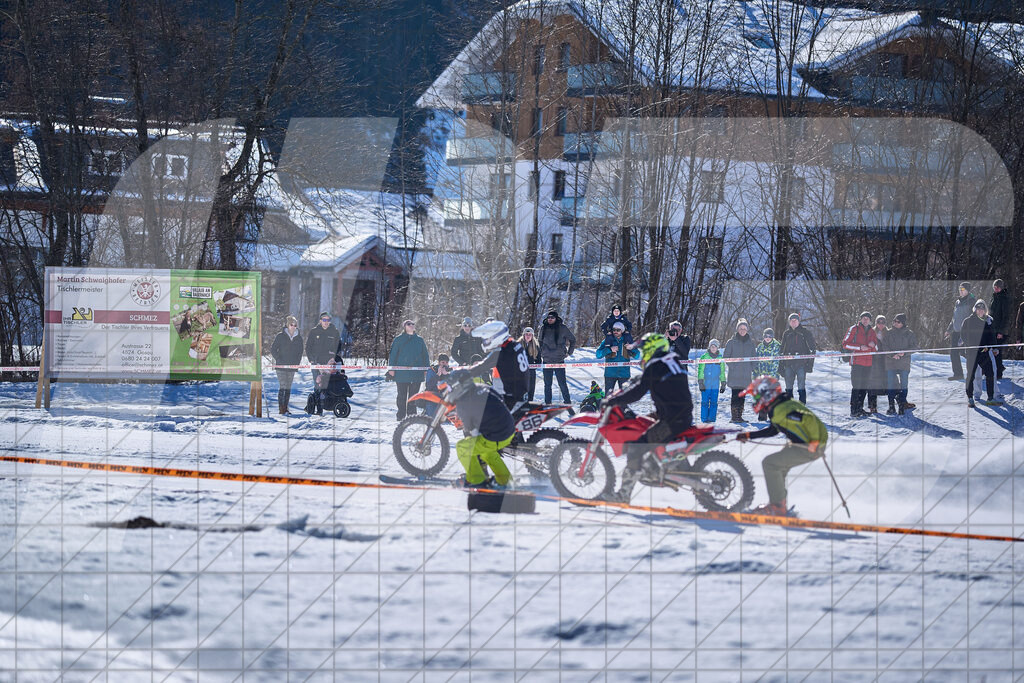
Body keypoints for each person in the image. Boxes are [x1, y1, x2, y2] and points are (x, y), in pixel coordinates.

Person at [599, 333, 694, 502]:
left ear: (651, 348)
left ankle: (623, 495)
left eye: (644, 350)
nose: (643, 354)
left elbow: (638, 392)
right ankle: (660, 466)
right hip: (680, 413)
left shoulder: (655, 364)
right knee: (644, 424)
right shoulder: (672, 360)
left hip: (672, 419)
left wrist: (613, 401)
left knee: (637, 446)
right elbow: (647, 380)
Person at [736, 376, 828, 517]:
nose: (755, 402)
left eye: (756, 397)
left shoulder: (782, 410)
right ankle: (779, 504)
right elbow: (773, 430)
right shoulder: (779, 406)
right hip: (801, 444)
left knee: (770, 463)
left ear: (766, 394)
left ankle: (778, 507)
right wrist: (749, 436)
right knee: (778, 468)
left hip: (809, 446)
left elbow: (808, 419)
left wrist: (815, 443)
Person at [445, 372, 516, 488]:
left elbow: (470, 429)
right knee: (486, 452)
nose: (449, 390)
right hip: (510, 430)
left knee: (462, 447)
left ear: (458, 386)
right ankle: (506, 481)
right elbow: (500, 399)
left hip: (495, 437)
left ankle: (476, 480)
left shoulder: (463, 402)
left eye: (450, 387)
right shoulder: (483, 387)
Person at [457, 320, 530, 410]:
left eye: (488, 337)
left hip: (511, 398)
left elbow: (482, 366)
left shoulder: (503, 351)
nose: (486, 340)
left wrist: (462, 375)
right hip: (519, 393)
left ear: (497, 336)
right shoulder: (514, 345)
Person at [961, 299, 1001, 407]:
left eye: (982, 310)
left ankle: (990, 397)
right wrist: (972, 345)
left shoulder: (987, 321)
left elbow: (991, 337)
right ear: (975, 310)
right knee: (971, 375)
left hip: (984, 353)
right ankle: (970, 398)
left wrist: (990, 347)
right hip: (972, 353)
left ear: (985, 311)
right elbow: (964, 336)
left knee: (990, 373)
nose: (980, 311)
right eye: (978, 309)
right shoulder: (968, 321)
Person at [387, 319, 429, 420]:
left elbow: (425, 355)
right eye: (408, 324)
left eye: (412, 324)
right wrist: (391, 368)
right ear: (404, 327)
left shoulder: (419, 340)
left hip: (416, 374)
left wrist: (426, 368)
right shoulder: (398, 340)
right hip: (401, 374)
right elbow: (393, 355)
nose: (411, 326)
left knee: (413, 396)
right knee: (401, 396)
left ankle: (412, 417)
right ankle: (400, 416)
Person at [842, 312, 878, 418]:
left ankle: (860, 409)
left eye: (867, 318)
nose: (865, 320)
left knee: (864, 387)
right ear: (861, 319)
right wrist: (859, 347)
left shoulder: (872, 331)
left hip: (868, 363)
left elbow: (876, 350)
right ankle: (854, 410)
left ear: (870, 320)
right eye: (864, 318)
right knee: (856, 387)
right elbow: (845, 343)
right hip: (857, 362)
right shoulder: (854, 329)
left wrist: (873, 345)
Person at [539, 310, 576, 404]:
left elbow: (573, 339)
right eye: (549, 317)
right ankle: (548, 403)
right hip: (546, 360)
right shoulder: (543, 328)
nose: (550, 319)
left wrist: (569, 352)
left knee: (562, 383)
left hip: (559, 360)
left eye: (552, 317)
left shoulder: (562, 328)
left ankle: (567, 402)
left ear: (556, 318)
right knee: (547, 384)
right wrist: (541, 353)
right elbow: (539, 342)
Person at [723, 318, 756, 423]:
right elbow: (726, 357)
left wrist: (751, 368)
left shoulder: (751, 343)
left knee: (742, 395)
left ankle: (739, 416)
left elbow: (754, 358)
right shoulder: (731, 342)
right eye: (741, 328)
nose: (742, 330)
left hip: (746, 374)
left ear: (747, 330)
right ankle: (734, 417)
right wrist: (733, 366)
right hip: (735, 374)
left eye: (744, 328)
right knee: (735, 395)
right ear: (737, 329)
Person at [884, 313, 917, 415]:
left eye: (898, 321)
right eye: (894, 321)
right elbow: (884, 347)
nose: (895, 323)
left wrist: (904, 353)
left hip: (904, 363)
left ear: (903, 323)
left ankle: (902, 405)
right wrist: (893, 354)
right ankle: (891, 406)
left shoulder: (909, 333)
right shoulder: (888, 333)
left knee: (904, 384)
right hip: (891, 362)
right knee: (890, 385)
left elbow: (915, 347)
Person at [779, 312, 815, 404]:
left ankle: (802, 406)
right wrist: (780, 366)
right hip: (788, 364)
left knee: (801, 386)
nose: (793, 322)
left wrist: (810, 364)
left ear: (799, 321)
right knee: (788, 387)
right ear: (789, 322)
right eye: (791, 321)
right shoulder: (786, 333)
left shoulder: (805, 332)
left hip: (801, 364)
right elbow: (782, 350)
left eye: (795, 320)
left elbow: (812, 349)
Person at [270, 315, 303, 415]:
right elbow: (273, 349)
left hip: (292, 366)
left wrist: (296, 363)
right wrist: (279, 359)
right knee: (283, 386)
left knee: (288, 387)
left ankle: (286, 408)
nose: (293, 326)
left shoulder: (298, 338)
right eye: (291, 324)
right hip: (281, 366)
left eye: (295, 325)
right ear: (287, 325)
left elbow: (300, 352)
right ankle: (281, 408)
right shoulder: (280, 336)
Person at [596, 321, 640, 394]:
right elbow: (598, 355)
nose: (615, 331)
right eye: (614, 329)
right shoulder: (607, 340)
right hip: (610, 374)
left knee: (624, 398)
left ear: (622, 331)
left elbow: (637, 356)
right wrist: (609, 349)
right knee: (608, 399)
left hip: (624, 374)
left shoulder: (627, 341)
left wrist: (631, 348)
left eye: (618, 330)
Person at [944, 282, 975, 381]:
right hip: (956, 331)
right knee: (953, 353)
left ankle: (978, 370)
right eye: (959, 289)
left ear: (967, 290)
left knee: (965, 353)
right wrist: (949, 330)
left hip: (966, 332)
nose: (960, 291)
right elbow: (954, 317)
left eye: (962, 289)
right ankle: (958, 374)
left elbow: (973, 318)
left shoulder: (972, 301)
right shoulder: (957, 302)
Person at [305, 311, 342, 389]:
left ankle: (328, 400)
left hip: (329, 363)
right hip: (316, 362)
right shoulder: (314, 331)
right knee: (318, 384)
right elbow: (308, 347)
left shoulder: (334, 331)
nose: (326, 322)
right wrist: (311, 359)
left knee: (330, 384)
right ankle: (317, 400)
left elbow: (339, 345)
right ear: (320, 321)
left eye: (328, 320)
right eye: (324, 320)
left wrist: (334, 355)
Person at [696, 339, 726, 423]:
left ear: (717, 348)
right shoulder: (704, 357)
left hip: (715, 384)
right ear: (709, 347)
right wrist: (700, 382)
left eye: (715, 346)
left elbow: (722, 372)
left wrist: (723, 383)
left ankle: (712, 419)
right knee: (705, 402)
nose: (713, 348)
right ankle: (704, 419)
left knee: (714, 402)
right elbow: (700, 370)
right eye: (712, 346)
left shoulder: (720, 358)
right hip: (706, 384)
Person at [754, 328, 781, 420]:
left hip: (772, 376)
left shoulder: (776, 346)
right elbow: (756, 361)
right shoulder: (760, 347)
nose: (768, 338)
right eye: (766, 336)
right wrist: (756, 374)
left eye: (770, 336)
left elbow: (776, 362)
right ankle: (762, 416)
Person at [866, 315, 889, 414]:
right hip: (874, 361)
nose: (881, 325)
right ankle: (872, 406)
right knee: (872, 383)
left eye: (883, 322)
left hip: (885, 361)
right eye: (879, 322)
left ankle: (894, 404)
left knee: (889, 382)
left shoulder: (889, 333)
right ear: (876, 323)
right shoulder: (871, 332)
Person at [990, 279, 1009, 379]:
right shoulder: (994, 298)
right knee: (991, 350)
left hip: (1000, 330)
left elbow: (1006, 317)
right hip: (993, 328)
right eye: (994, 287)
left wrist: (1001, 331)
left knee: (996, 351)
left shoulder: (1004, 299)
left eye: (997, 287)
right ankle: (998, 368)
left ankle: (998, 373)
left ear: (1001, 288)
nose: (995, 289)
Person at [518, 327, 541, 401]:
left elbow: (539, 361)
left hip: (531, 372)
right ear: (523, 335)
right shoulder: (517, 345)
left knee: (531, 391)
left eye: (530, 334)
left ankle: (530, 406)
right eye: (526, 334)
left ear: (532, 336)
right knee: (520, 392)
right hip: (520, 373)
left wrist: (533, 367)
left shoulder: (536, 346)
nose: (528, 336)